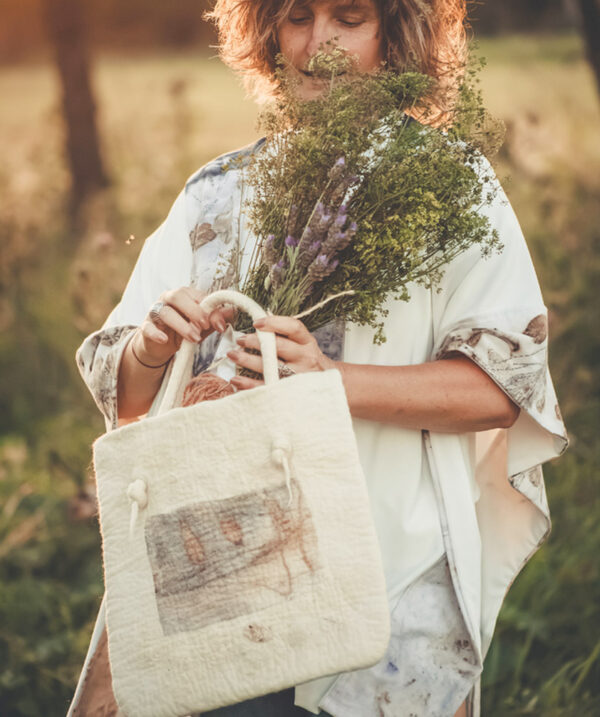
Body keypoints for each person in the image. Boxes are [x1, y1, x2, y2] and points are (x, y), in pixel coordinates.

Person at [70, 1, 568, 716]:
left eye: (349, 17)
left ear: (394, 37)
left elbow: (502, 388)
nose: (319, 43)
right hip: (217, 575)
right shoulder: (217, 191)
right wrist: (151, 347)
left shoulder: (449, 183)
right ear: (266, 31)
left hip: (386, 583)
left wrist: (331, 380)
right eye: (299, 15)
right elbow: (123, 389)